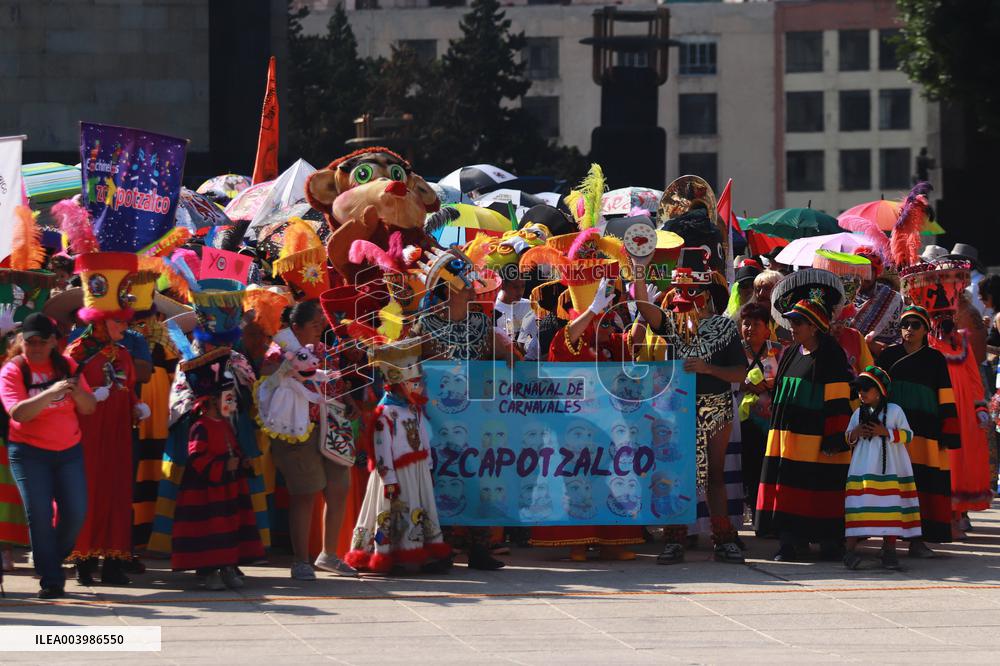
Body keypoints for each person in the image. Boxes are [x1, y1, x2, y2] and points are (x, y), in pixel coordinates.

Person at [634, 250, 749, 564]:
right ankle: (674, 540)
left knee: (714, 476)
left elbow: (741, 372)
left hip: (717, 406)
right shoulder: (671, 325)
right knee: (677, 474)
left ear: (705, 294)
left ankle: (723, 539)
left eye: (690, 291)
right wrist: (639, 272)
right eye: (678, 291)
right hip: (678, 409)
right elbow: (645, 309)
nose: (682, 297)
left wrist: (708, 369)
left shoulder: (725, 329)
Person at [66, 251, 147, 587]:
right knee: (90, 493)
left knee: (117, 493)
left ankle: (113, 561)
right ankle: (84, 561)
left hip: (117, 434)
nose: (124, 327)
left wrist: (137, 406)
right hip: (86, 435)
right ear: (100, 320)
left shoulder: (124, 354)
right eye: (119, 321)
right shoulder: (77, 354)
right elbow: (63, 391)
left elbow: (127, 388)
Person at [2, 313, 96, 598]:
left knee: (76, 513)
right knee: (39, 515)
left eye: (42, 341)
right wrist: (51, 392)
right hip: (29, 453)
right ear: (22, 341)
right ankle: (52, 579)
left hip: (69, 451)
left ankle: (50, 558)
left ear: (54, 342)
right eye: (30, 342)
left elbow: (89, 407)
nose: (36, 347)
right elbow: (19, 413)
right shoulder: (13, 370)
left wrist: (76, 390)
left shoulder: (67, 365)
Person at [261, 300, 357, 580]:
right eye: (314, 324)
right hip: (296, 430)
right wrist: (289, 364)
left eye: (321, 323)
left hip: (330, 427)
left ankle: (329, 554)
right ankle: (300, 560)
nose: (320, 328)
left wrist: (347, 399)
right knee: (304, 493)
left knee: (339, 488)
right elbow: (266, 381)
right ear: (296, 326)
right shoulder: (278, 352)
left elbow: (335, 381)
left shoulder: (324, 350)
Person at [756, 291, 854, 561]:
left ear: (814, 326)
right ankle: (791, 541)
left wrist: (835, 438)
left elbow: (838, 398)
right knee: (788, 486)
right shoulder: (789, 353)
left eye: (798, 322)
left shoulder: (831, 354)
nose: (793, 327)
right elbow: (781, 390)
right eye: (791, 322)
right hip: (789, 437)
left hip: (818, 438)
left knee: (821, 487)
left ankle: (830, 541)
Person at [344, 338, 451, 573]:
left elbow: (423, 437)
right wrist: (389, 478)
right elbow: (381, 450)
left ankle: (420, 553)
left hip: (417, 471)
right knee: (394, 512)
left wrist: (428, 464)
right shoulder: (386, 414)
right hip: (395, 475)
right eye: (414, 383)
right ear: (398, 383)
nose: (419, 388)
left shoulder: (413, 408)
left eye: (419, 382)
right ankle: (391, 556)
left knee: (417, 509)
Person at [171, 348, 264, 590]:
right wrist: (223, 465)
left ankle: (228, 567)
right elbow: (197, 457)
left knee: (229, 527)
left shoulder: (224, 424)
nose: (231, 401)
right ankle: (210, 571)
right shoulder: (200, 426)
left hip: (228, 488)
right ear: (212, 400)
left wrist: (242, 461)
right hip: (207, 491)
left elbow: (232, 447)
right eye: (227, 397)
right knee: (211, 529)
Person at [876, 306, 959, 552]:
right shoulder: (888, 356)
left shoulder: (935, 359)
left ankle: (918, 540)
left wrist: (948, 432)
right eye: (905, 324)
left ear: (926, 330)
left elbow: (945, 396)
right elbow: (871, 389)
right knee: (891, 481)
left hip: (925, 431)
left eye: (915, 325)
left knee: (922, 482)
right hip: (892, 431)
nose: (909, 329)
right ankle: (887, 539)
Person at [842, 366, 920, 570]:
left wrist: (885, 431)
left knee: (889, 507)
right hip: (862, 467)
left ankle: (890, 550)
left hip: (890, 468)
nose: (861, 393)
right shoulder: (858, 412)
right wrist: (856, 432)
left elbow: (908, 435)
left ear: (879, 390)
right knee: (858, 506)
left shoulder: (895, 411)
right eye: (859, 390)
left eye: (865, 389)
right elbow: (848, 436)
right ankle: (849, 552)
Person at [737, 302, 782, 521]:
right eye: (746, 323)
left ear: (767, 328)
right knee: (750, 467)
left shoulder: (778, 351)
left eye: (756, 324)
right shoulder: (734, 351)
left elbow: (787, 378)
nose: (750, 328)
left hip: (772, 420)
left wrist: (775, 383)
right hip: (743, 421)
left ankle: (768, 514)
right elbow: (726, 378)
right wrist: (746, 385)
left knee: (770, 467)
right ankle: (755, 512)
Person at [493, 273, 539, 361]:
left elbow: (534, 333)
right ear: (502, 286)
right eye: (515, 287)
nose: (520, 291)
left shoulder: (528, 305)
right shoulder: (494, 308)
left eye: (523, 286)